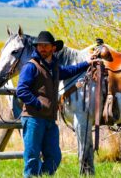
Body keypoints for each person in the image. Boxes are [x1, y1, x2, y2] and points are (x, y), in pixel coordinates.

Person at [17, 31, 91, 177]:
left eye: (46, 46)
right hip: (33, 118)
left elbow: (70, 71)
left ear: (53, 48)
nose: (42, 48)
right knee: (32, 158)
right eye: (40, 46)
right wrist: (38, 104)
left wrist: (87, 63)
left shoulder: (54, 67)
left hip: (50, 120)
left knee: (54, 158)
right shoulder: (31, 66)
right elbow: (21, 90)